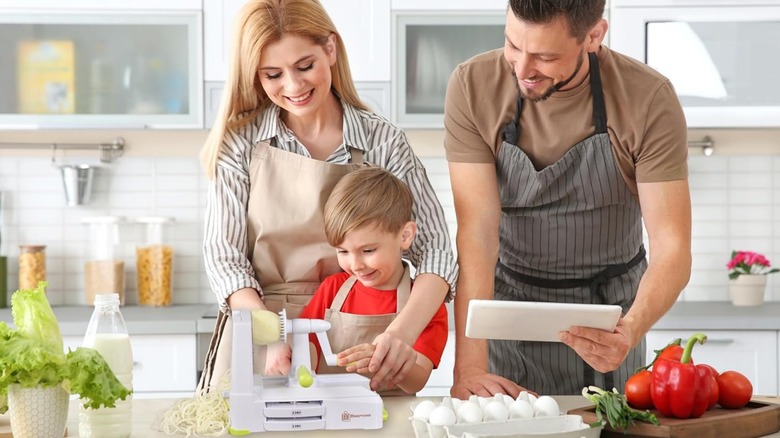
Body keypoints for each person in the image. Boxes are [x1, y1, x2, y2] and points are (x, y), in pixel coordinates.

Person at [198, 0, 457, 393]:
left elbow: (436, 251)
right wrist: (273, 334)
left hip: (357, 330)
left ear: (330, 50)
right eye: (273, 74)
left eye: (305, 66)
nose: (293, 86)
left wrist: (401, 333)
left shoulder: (381, 141)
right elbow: (225, 260)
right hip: (261, 329)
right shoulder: (241, 143)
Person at [444, 0, 691, 397]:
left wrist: (629, 328)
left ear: (593, 36)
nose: (521, 70)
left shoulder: (647, 98)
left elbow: (672, 247)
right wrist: (469, 368)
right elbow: (477, 233)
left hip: (609, 317)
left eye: (544, 56)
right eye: (512, 45)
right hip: (512, 315)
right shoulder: (472, 86)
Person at [289, 167, 448, 394]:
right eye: (343, 251)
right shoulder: (333, 289)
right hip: (330, 409)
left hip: (392, 415)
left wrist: (389, 360)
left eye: (368, 250)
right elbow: (307, 346)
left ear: (405, 236)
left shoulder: (424, 304)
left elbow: (417, 381)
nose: (355, 265)